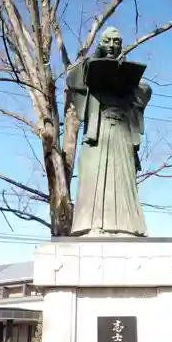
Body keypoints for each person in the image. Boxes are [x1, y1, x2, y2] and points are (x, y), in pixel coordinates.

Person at [67, 27, 151, 237]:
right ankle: (93, 224)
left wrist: (128, 80)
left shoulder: (127, 74)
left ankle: (128, 227)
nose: (112, 46)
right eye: (107, 41)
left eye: (116, 41)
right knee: (94, 177)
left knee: (123, 177)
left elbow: (144, 93)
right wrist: (95, 59)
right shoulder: (88, 68)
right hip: (99, 129)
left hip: (122, 131)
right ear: (101, 45)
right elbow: (73, 79)